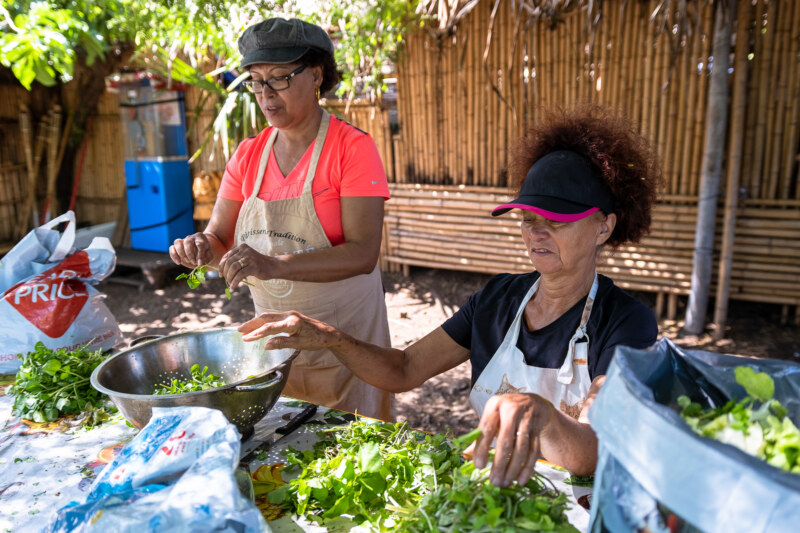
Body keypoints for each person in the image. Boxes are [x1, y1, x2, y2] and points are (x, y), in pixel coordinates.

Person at [237, 105, 663, 487]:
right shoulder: (498, 299)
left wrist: (541, 413)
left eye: (557, 220)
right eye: (528, 218)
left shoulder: (627, 322)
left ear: (604, 227)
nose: (537, 233)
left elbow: (590, 450)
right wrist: (329, 336)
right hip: (496, 492)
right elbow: (404, 370)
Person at [169, 17, 394, 421]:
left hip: (347, 343)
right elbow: (218, 237)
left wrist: (273, 265)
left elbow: (362, 253)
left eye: (279, 78)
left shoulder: (352, 149)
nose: (265, 93)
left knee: (350, 452)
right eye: (255, 80)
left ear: (317, 74)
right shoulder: (248, 155)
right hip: (276, 347)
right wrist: (201, 248)